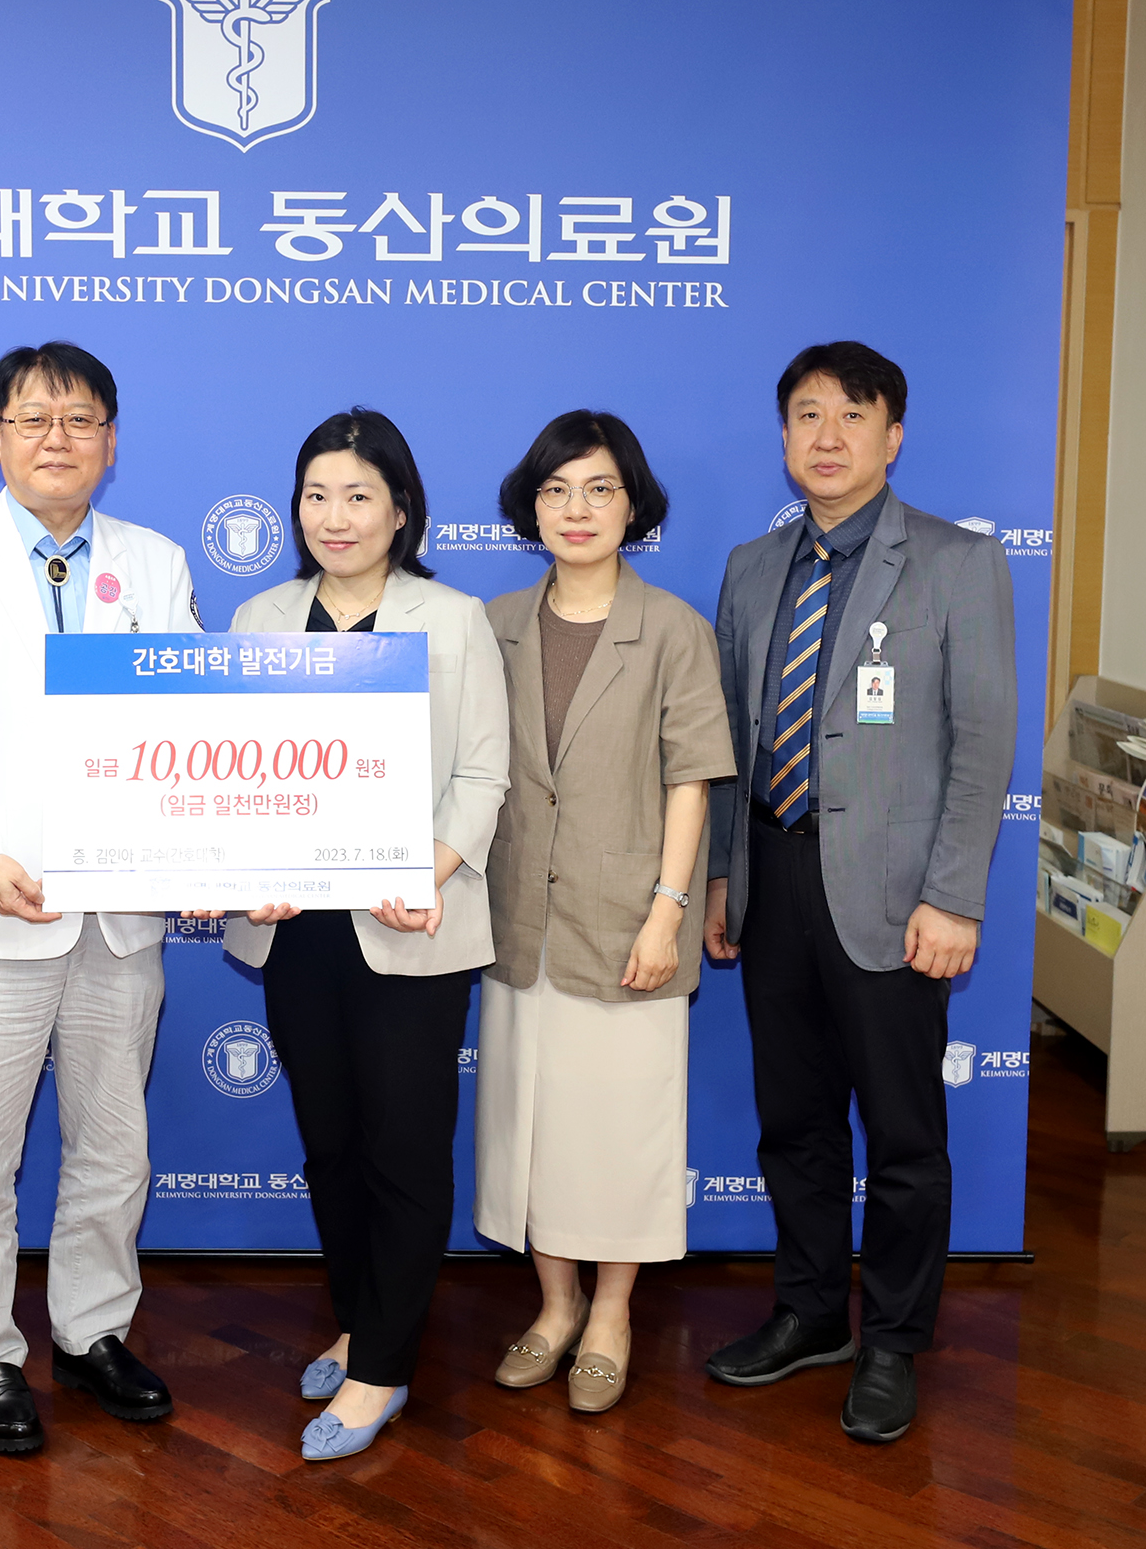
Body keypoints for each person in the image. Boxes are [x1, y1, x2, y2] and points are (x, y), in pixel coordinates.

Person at [0, 341, 199, 1456]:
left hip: (120, 912)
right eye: (32, 419)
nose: (57, 438)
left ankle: (92, 1330)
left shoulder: (154, 562)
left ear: (111, 439)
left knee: (114, 1143)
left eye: (80, 419)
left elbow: (194, 719)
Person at [701, 342, 1016, 1443]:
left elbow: (981, 746)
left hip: (893, 895)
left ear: (894, 434)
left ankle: (892, 1341)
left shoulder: (955, 563)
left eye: (851, 415)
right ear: (782, 437)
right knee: (792, 1124)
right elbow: (730, 741)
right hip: (775, 874)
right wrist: (723, 878)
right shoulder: (751, 566)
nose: (825, 437)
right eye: (805, 415)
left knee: (903, 1134)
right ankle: (808, 1313)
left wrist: (955, 896)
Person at [222, 408, 510, 1462]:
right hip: (297, 935)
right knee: (333, 1145)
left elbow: (485, 773)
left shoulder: (452, 617)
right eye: (316, 494)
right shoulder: (260, 618)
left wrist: (417, 866)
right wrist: (240, 871)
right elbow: (229, 776)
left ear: (401, 509)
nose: (334, 516)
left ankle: (383, 1367)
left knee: (402, 1148)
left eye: (357, 496)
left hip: (410, 931)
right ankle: (359, 1319)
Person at [473, 410, 735, 1414]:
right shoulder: (491, 623)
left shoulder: (673, 629)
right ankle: (553, 1304)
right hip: (514, 919)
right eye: (555, 490)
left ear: (635, 504)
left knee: (619, 1126)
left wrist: (669, 911)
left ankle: (614, 1312)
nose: (575, 510)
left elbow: (692, 781)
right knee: (531, 1125)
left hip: (626, 917)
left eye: (598, 489)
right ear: (529, 506)